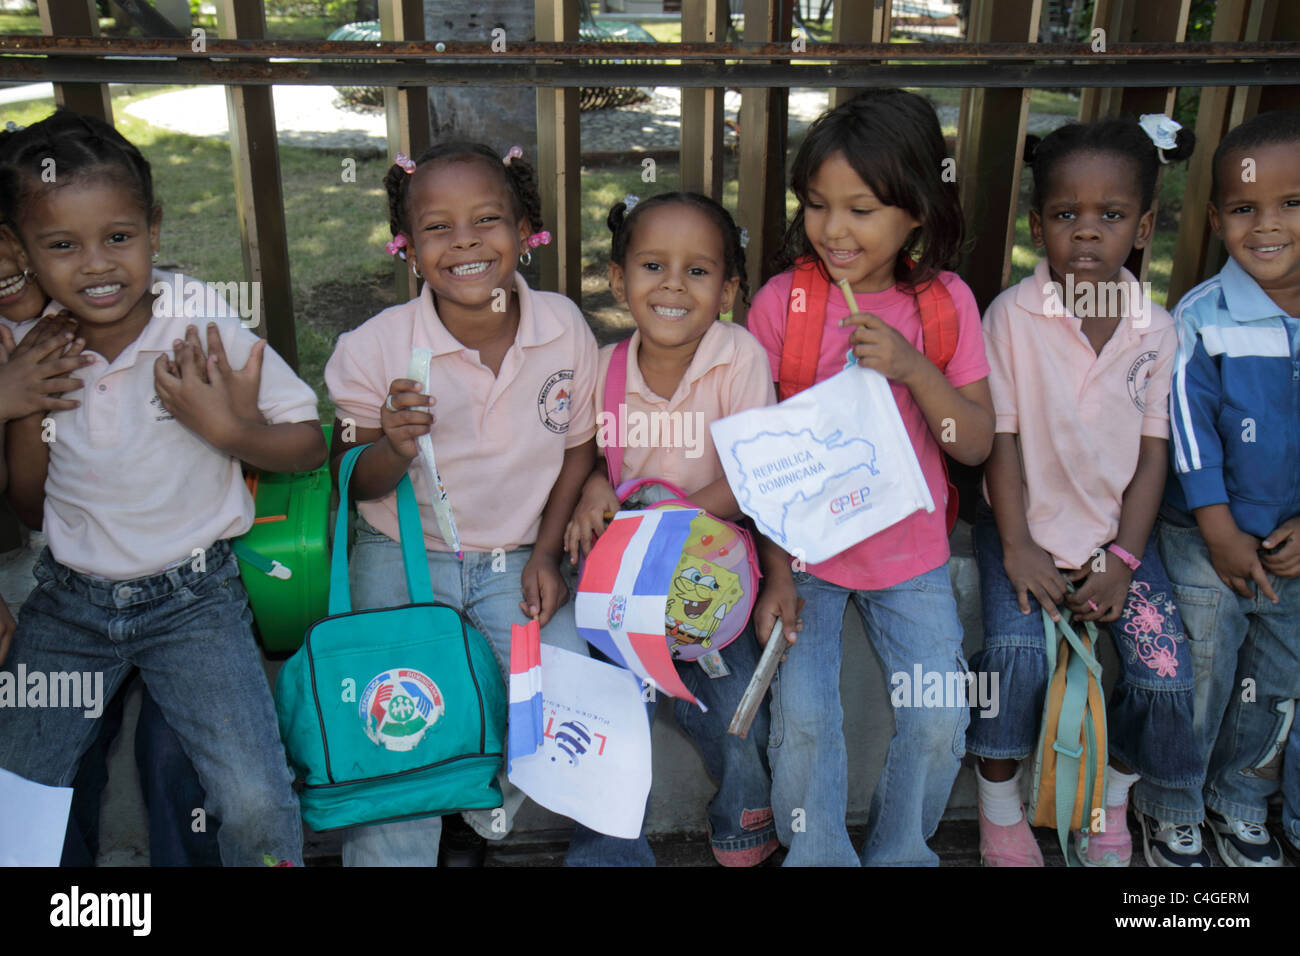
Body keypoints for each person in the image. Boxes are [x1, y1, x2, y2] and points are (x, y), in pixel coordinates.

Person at [0, 109, 323, 867]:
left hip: (195, 602)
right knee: (18, 787)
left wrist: (232, 433)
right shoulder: (30, 344)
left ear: (154, 229)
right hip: (70, 605)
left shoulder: (196, 319)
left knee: (251, 797)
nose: (96, 265)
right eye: (60, 245)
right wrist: (18, 403)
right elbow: (26, 507)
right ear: (25, 252)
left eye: (118, 237)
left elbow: (309, 444)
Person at [324, 141, 597, 866]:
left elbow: (577, 448)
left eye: (487, 219)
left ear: (527, 228)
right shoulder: (374, 349)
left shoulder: (564, 327)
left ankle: (472, 809)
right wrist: (392, 444)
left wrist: (544, 553)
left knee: (559, 695)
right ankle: (405, 836)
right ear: (407, 248)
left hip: (515, 556)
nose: (466, 241)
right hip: (404, 554)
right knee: (394, 723)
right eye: (438, 227)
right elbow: (353, 481)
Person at [746, 89, 995, 866]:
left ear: (917, 210)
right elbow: (753, 454)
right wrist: (777, 569)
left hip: (909, 557)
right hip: (806, 560)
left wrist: (913, 367)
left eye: (861, 209)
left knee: (937, 717)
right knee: (807, 718)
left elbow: (976, 442)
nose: (834, 230)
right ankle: (816, 852)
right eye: (819, 206)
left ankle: (901, 847)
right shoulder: (781, 305)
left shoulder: (946, 305)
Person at [968, 116, 1200, 867]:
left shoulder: (1157, 330)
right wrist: (1018, 546)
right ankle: (999, 805)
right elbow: (999, 442)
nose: (1089, 235)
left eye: (1112, 216)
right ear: (1039, 226)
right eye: (1067, 216)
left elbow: (1152, 457)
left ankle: (1113, 797)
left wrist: (1125, 558)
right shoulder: (1010, 317)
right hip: (1025, 527)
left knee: (1164, 674)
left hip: (1117, 536)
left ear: (1145, 225)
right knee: (1015, 655)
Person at [562, 192, 787, 866]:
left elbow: (754, 474)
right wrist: (595, 488)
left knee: (735, 713)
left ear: (729, 288)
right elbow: (599, 463)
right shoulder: (604, 370)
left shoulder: (738, 357)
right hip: (622, 579)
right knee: (602, 715)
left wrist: (671, 522)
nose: (671, 285)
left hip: (709, 581)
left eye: (697, 271)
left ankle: (744, 821)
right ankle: (606, 850)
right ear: (617, 278)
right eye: (653, 265)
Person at [1140, 109, 1300, 867]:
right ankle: (1171, 803)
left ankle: (1241, 798)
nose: (1266, 226)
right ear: (1216, 219)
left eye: (1291, 204)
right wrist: (1218, 526)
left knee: (1275, 681)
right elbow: (1187, 430)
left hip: (1291, 545)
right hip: (1205, 538)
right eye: (1244, 209)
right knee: (1200, 674)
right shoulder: (1203, 318)